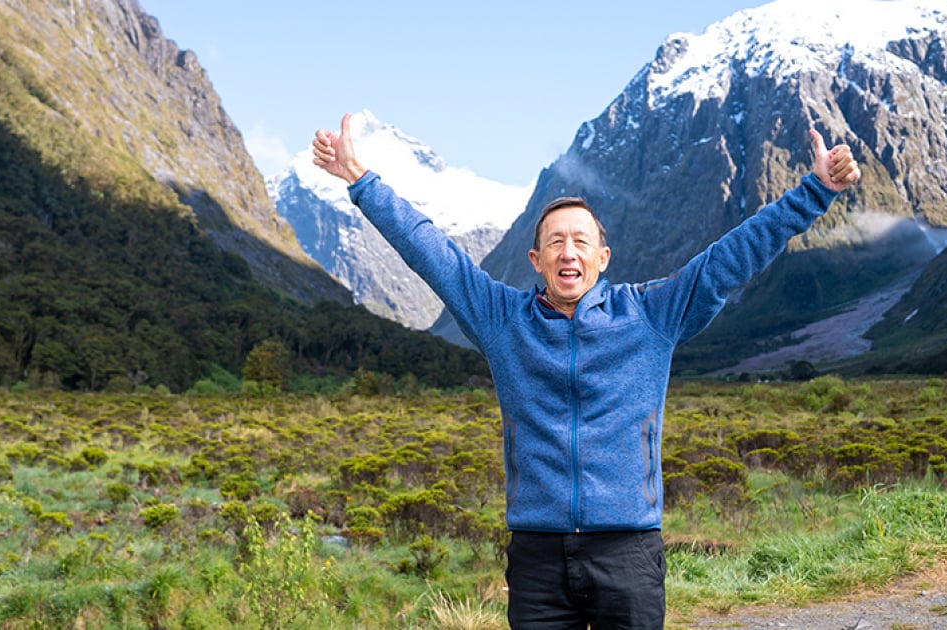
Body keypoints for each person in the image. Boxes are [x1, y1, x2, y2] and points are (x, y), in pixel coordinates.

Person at [312, 112, 860, 629]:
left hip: (628, 550)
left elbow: (730, 258)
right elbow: (430, 251)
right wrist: (359, 179)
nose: (567, 251)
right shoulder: (501, 320)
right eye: (554, 241)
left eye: (580, 241)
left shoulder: (651, 314)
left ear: (603, 257)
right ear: (536, 261)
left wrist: (815, 191)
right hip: (537, 557)